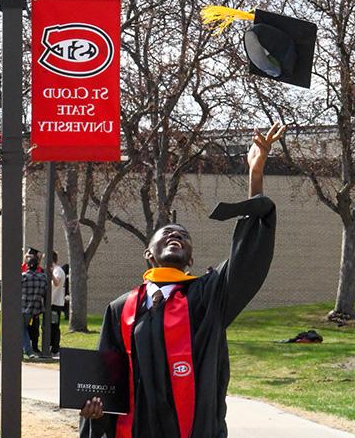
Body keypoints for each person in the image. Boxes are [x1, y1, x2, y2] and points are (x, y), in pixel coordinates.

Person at [79, 123, 283, 438]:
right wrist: (95, 413)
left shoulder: (206, 297)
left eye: (184, 237)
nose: (176, 235)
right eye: (168, 233)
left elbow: (247, 259)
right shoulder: (120, 309)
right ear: (149, 253)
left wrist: (255, 178)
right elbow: (106, 381)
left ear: (190, 259)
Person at [21, 255, 46, 359]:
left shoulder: (23, 276)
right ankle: (27, 350)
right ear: (37, 266)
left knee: (21, 329)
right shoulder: (43, 278)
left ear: (27, 266)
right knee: (24, 328)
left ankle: (28, 351)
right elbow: (45, 291)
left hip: (22, 307)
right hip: (35, 309)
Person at [50, 251, 66, 357]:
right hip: (52, 303)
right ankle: (51, 347)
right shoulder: (56, 270)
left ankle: (55, 349)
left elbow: (56, 283)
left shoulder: (58, 271)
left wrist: (50, 273)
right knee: (50, 326)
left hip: (56, 304)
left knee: (54, 326)